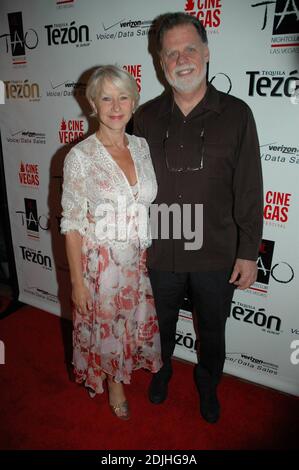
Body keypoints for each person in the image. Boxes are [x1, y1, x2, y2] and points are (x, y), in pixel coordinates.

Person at [134, 12, 263, 423]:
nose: (181, 58)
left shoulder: (238, 114)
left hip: (215, 254)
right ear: (160, 62)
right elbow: (132, 187)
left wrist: (247, 252)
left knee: (212, 333)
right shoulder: (146, 118)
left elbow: (248, 187)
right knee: (160, 328)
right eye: (171, 53)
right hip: (161, 253)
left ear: (206, 52)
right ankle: (162, 372)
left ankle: (208, 386)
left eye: (190, 48)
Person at [61, 65, 162, 420]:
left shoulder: (142, 146)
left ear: (134, 101)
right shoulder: (81, 157)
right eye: (106, 98)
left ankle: (123, 369)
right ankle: (114, 384)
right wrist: (77, 283)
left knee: (129, 324)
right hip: (99, 265)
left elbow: (141, 202)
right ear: (93, 103)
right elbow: (71, 223)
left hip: (135, 259)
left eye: (123, 97)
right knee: (107, 329)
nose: (115, 106)